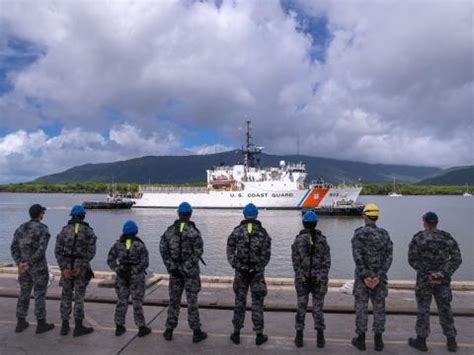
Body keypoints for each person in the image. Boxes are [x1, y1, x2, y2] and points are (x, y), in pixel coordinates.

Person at [408, 212, 462, 353]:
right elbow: (457, 258)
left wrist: (428, 273)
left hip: (424, 281)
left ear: (424, 222)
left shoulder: (418, 238)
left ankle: (421, 341)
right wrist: (442, 273)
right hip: (442, 281)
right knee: (445, 310)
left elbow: (412, 259)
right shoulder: (447, 238)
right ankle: (451, 341)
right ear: (436, 222)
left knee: (423, 310)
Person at [159, 202, 207, 343]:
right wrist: (187, 267)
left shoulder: (169, 231)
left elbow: (163, 249)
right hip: (190, 273)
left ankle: (169, 330)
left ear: (178, 214)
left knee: (174, 301)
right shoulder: (194, 232)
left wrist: (171, 266)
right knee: (192, 302)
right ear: (190, 214)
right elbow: (198, 251)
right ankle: (196, 332)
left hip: (175, 273)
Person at [226, 203, 272, 346]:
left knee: (239, 302)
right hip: (257, 275)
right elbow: (266, 255)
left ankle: (236, 333)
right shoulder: (263, 233)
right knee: (258, 303)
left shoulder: (236, 232)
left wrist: (237, 265)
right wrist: (257, 268)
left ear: (244, 214)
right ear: (256, 215)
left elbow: (229, 251)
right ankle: (259, 335)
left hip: (241, 273)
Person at [351, 203, 393, 351]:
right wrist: (378, 276)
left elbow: (357, 257)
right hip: (379, 279)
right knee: (379, 309)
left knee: (361, 308)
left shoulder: (359, 234)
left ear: (364, 216)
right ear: (376, 217)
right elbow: (389, 257)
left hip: (363, 279)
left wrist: (365, 277)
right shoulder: (385, 234)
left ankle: (361, 340)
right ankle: (378, 341)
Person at [10, 204, 55, 334]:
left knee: (24, 293)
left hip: (24, 268)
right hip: (38, 268)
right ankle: (41, 323)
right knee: (39, 294)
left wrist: (20, 263)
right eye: (42, 213)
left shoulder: (21, 228)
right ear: (40, 214)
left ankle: (20, 322)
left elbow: (13, 247)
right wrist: (29, 263)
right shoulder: (43, 229)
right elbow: (41, 250)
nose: (43, 215)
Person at [55, 205, 97, 336]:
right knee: (79, 297)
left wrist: (64, 269)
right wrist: (81, 266)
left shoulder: (64, 230)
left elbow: (57, 251)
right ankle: (78, 327)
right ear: (83, 216)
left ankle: (64, 326)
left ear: (72, 216)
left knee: (66, 296)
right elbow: (91, 252)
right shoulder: (89, 232)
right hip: (81, 269)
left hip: (67, 266)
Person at [292, 211, 331, 348]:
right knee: (318, 309)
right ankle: (320, 338)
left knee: (301, 307)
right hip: (318, 281)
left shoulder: (298, 241)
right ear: (316, 223)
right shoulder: (323, 240)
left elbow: (295, 262)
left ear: (304, 223)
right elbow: (327, 263)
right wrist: (320, 275)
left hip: (302, 280)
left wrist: (301, 275)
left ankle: (299, 338)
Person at [107, 220, 151, 338]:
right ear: (136, 231)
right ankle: (141, 327)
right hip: (136, 278)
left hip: (121, 277)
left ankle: (119, 327)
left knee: (122, 301)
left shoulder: (117, 245)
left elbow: (110, 259)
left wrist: (117, 269)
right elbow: (145, 262)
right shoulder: (140, 245)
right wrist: (135, 270)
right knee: (137, 303)